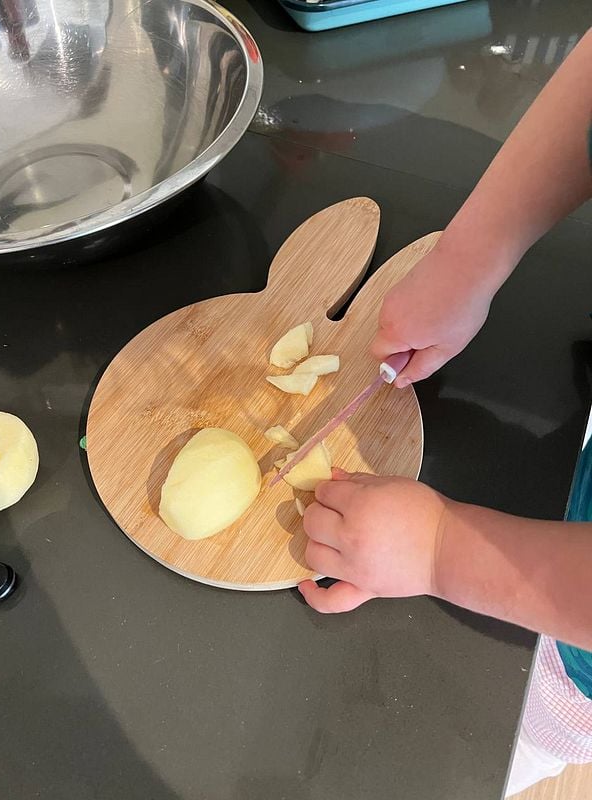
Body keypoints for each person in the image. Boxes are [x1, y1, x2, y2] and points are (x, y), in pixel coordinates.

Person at [298, 27, 592, 797]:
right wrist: (471, 257)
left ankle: (549, 745)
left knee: (514, 729)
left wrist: (437, 551)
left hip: (573, 646)